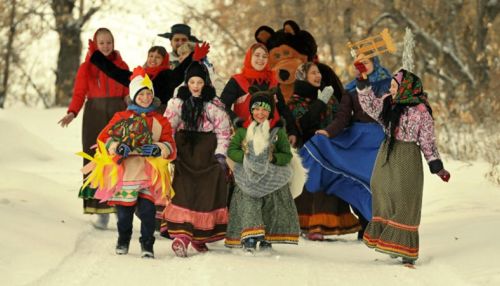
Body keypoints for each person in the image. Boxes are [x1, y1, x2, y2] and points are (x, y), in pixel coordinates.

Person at [355, 64, 451, 267]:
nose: (390, 90)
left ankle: (407, 253)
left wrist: (437, 167)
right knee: (380, 189)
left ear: (406, 87)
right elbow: (370, 107)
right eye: (390, 85)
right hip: (387, 154)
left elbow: (427, 141)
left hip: (408, 156)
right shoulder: (389, 104)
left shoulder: (421, 111)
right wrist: (363, 83)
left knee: (406, 199)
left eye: (393, 86)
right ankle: (390, 240)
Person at [90, 66, 176, 258]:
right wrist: (118, 147)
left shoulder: (160, 121)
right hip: (126, 172)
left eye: (148, 94)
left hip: (148, 174)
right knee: (124, 215)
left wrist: (159, 148)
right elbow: (103, 139)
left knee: (147, 212)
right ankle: (123, 238)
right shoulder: (121, 117)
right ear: (133, 96)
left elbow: (171, 146)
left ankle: (147, 244)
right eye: (141, 94)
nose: (145, 98)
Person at [304, 56, 392, 240]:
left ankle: (381, 226)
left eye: (365, 63)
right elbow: (342, 117)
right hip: (357, 139)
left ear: (374, 64)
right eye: (357, 64)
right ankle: (367, 225)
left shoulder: (387, 84)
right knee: (357, 179)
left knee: (375, 182)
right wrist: (328, 133)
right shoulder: (351, 89)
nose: (360, 67)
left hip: (379, 139)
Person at [58, 27, 129, 228]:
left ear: (113, 44)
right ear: (96, 45)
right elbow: (79, 93)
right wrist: (72, 112)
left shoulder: (122, 65)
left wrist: (130, 103)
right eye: (102, 43)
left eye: (109, 42)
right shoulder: (86, 67)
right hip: (95, 114)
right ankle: (100, 210)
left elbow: (127, 90)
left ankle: (119, 208)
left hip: (117, 114)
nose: (106, 46)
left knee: (119, 159)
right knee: (97, 159)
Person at [162, 59, 232, 257]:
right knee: (184, 191)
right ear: (186, 83)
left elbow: (223, 131)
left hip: (207, 152)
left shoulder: (213, 104)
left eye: (199, 82)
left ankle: (199, 237)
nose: (195, 86)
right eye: (192, 82)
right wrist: (170, 149)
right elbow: (169, 127)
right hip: (185, 151)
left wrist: (220, 154)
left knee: (206, 192)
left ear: (205, 83)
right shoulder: (177, 102)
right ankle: (182, 237)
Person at [288, 62, 361, 240]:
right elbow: (305, 124)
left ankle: (322, 226)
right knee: (312, 187)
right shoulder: (295, 101)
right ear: (303, 76)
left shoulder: (330, 97)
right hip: (309, 151)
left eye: (318, 73)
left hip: (331, 150)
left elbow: (340, 120)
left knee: (330, 186)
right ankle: (308, 226)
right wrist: (320, 102)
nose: (318, 76)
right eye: (313, 73)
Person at [225, 87, 300, 252]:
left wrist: (274, 159)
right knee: (249, 203)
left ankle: (267, 237)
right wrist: (244, 157)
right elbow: (231, 151)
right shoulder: (242, 132)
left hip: (270, 178)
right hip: (248, 177)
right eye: (256, 109)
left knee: (270, 206)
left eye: (264, 109)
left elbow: (286, 155)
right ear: (251, 111)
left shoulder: (277, 133)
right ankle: (249, 237)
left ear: (270, 112)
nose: (260, 113)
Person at [89, 42, 209, 113]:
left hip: (159, 114)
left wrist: (193, 57)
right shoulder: (140, 76)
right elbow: (115, 72)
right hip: (139, 115)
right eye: (151, 56)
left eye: (157, 57)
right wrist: (96, 55)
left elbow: (181, 71)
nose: (153, 59)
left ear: (164, 60)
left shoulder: (167, 75)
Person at [220, 43, 298, 146]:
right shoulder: (237, 81)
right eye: (257, 55)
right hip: (246, 138)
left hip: (272, 138)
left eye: (264, 56)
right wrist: (238, 122)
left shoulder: (273, 82)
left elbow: (283, 108)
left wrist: (292, 131)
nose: (261, 59)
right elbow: (222, 106)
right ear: (249, 57)